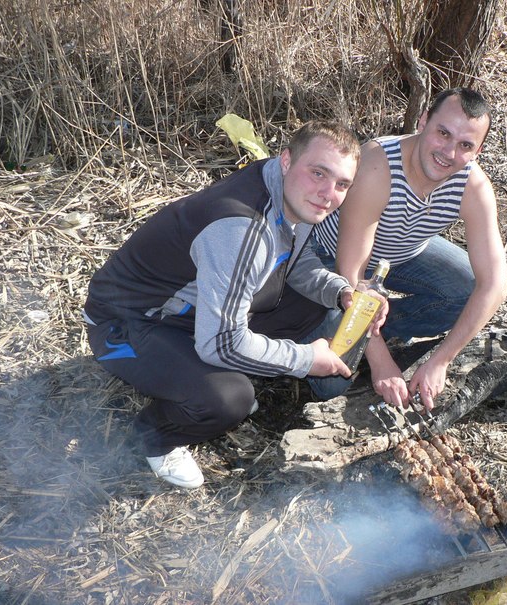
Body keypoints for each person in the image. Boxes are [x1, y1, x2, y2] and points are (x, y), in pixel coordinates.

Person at [83, 121, 381, 489]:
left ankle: (217, 367)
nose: (327, 193)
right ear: (287, 160)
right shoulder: (242, 230)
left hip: (190, 312)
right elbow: (219, 343)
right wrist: (304, 360)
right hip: (126, 323)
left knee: (315, 304)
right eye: (318, 173)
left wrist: (340, 292)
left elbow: (296, 262)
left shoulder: (289, 194)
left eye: (341, 184)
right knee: (229, 398)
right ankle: (154, 437)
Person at [313, 88, 507, 411]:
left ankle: (379, 329)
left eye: (465, 145)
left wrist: (442, 360)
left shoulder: (474, 188)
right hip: (331, 264)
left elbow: (495, 286)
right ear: (423, 120)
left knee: (467, 290)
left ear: (478, 151)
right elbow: (350, 274)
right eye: (443, 133)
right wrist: (382, 363)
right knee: (329, 384)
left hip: (399, 257)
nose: (448, 151)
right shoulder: (378, 166)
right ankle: (330, 327)